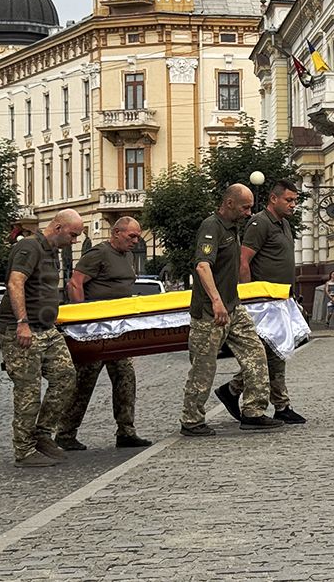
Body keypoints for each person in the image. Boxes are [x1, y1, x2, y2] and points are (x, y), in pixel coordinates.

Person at [179, 184, 284, 436]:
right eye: (245, 207)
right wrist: (215, 301)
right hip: (210, 313)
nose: (249, 212)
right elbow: (203, 266)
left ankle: (253, 412)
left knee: (256, 353)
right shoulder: (211, 226)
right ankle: (191, 420)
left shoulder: (233, 228)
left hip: (233, 308)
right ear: (229, 204)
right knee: (204, 367)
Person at [56, 217, 153, 451]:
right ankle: (65, 433)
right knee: (84, 382)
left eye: (138, 236)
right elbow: (75, 284)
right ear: (116, 233)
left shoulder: (128, 256)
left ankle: (126, 431)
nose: (136, 240)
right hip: (95, 331)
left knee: (125, 378)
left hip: (118, 330)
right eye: (131, 236)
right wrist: (83, 320)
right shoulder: (98, 253)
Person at [0, 209, 84, 467]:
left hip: (46, 329)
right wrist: (22, 323)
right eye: (73, 234)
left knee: (66, 377)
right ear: (58, 228)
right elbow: (15, 283)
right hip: (21, 329)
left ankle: (42, 433)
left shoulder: (52, 251)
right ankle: (23, 451)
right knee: (28, 390)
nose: (75, 240)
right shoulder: (29, 247)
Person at [215, 180, 306, 425]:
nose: (293, 205)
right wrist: (249, 296)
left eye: (295, 200)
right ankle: (240, 394)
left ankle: (279, 404)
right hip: (263, 303)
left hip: (280, 300)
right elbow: (244, 261)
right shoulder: (260, 223)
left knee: (276, 353)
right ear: (273, 199)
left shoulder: (284, 224)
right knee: (265, 353)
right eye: (289, 200)